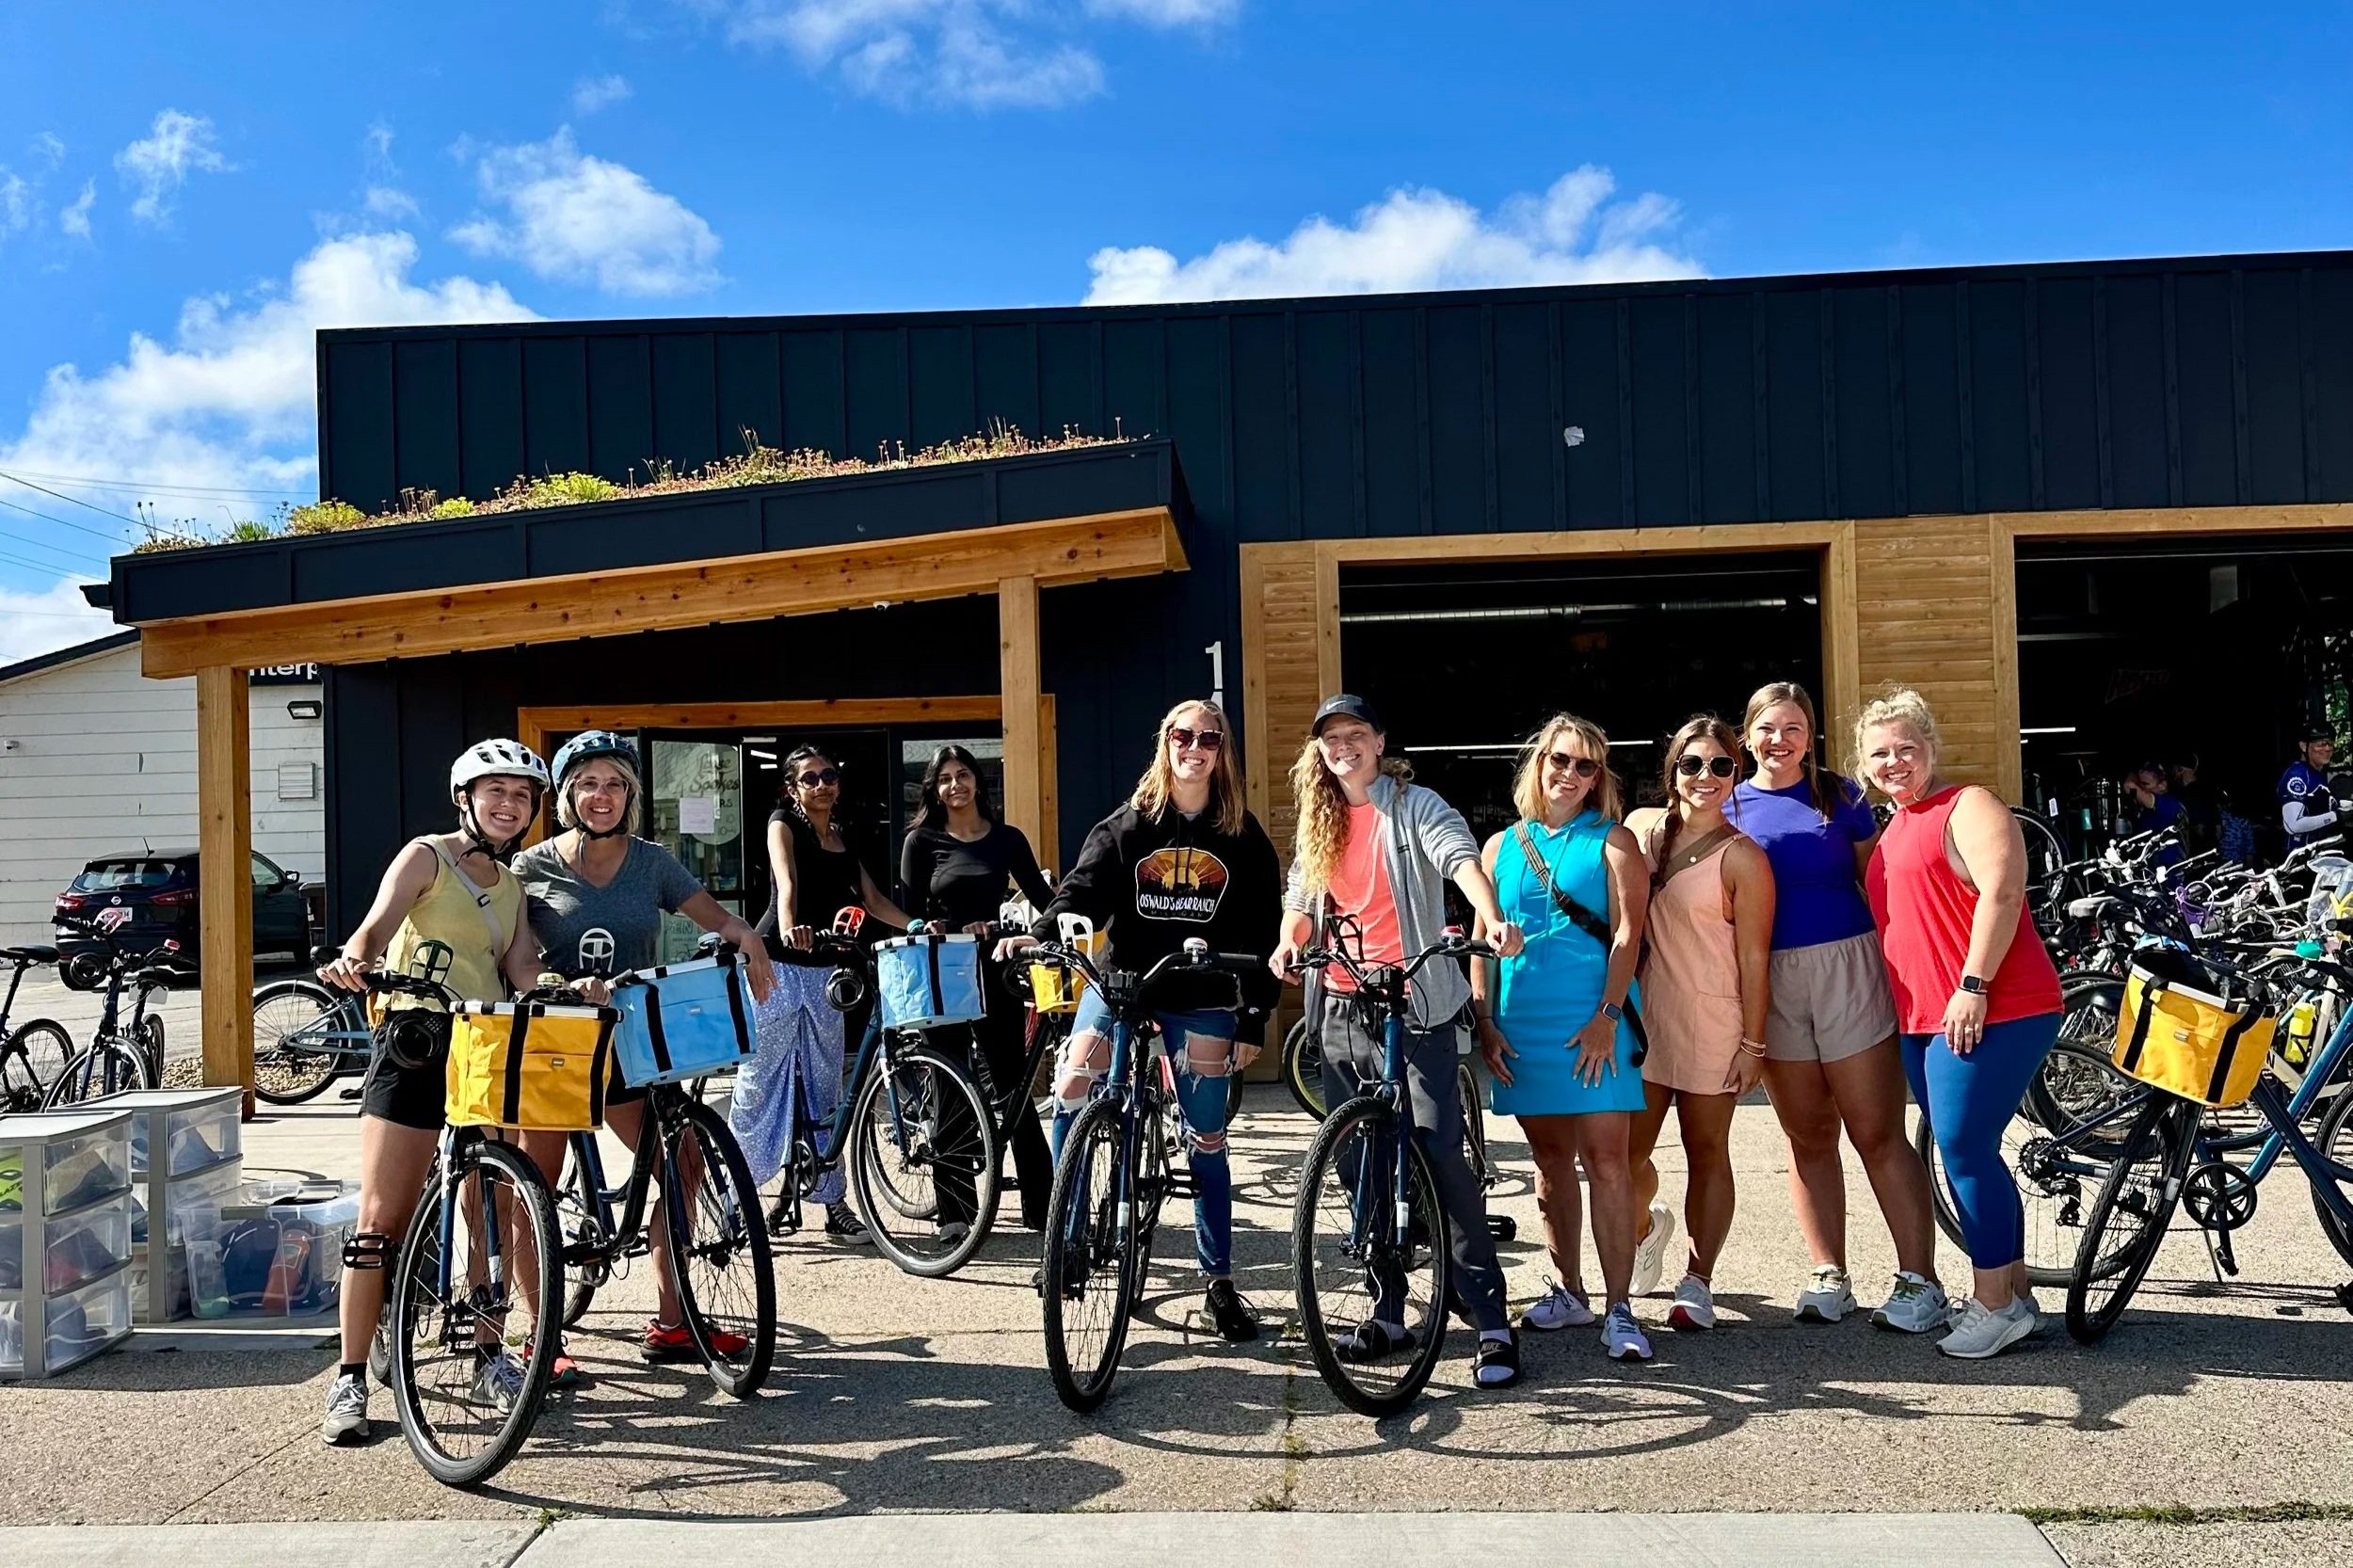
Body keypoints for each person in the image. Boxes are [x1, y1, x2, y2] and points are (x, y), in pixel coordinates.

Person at [999, 699, 1282, 1341]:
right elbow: (1081, 891)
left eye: (1208, 738)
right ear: (1166, 743)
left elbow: (1268, 932)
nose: (1195, 747)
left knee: (1205, 1136)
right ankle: (1066, 1240)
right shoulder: (1128, 826)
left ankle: (1219, 1283)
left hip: (1205, 992)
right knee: (1071, 1085)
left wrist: (1254, 1018)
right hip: (1126, 984)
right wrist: (1040, 934)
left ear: (1221, 751)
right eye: (1183, 735)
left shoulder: (1241, 835)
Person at [1272, 695, 1529, 1387]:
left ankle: (1491, 1319)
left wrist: (1492, 918)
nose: (1344, 746)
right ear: (1320, 748)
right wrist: (1289, 943)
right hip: (1343, 1003)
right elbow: (1303, 894)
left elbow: (1460, 859)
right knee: (1359, 1160)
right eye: (1332, 737)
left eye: (1357, 734)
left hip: (1413, 1000)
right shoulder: (1320, 817)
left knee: (1437, 1151)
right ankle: (1390, 1309)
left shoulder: (1413, 806)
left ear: (1380, 742)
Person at [315, 740, 556, 1446]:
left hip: (482, 1045)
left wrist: (562, 989)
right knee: (381, 1216)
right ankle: (350, 1377)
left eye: (521, 795)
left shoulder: (513, 890)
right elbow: (377, 925)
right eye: (495, 792)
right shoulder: (427, 855)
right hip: (414, 1039)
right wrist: (355, 959)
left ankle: (489, 1354)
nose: (508, 804)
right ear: (466, 799)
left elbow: (520, 968)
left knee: (492, 1204)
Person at [512, 731, 776, 1369]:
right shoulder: (531, 867)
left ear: (630, 794)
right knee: (532, 1185)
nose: (602, 796)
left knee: (682, 1165)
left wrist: (749, 940)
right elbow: (512, 954)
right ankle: (541, 1336)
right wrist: (553, 985)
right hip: (555, 1041)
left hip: (630, 1039)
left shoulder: (652, 862)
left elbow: (720, 918)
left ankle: (673, 1320)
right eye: (589, 783)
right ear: (568, 793)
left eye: (615, 784)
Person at [1858, 687, 2064, 1359]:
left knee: (1966, 1150)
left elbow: (2003, 891)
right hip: (1924, 1017)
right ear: (1864, 767)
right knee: (1964, 1150)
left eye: (1906, 748)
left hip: (1993, 1005)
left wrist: (1972, 985)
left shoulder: (1968, 804)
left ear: (1931, 750)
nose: (1894, 762)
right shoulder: (1893, 827)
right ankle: (2015, 1293)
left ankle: (1995, 1304)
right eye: (1879, 753)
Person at [1732, 682, 1945, 1332]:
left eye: (1794, 728)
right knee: (1808, 1135)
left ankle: (1920, 1281)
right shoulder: (1728, 804)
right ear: (1748, 736)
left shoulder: (1843, 796)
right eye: (1768, 728)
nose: (1780, 739)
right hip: (1770, 976)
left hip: (1848, 963)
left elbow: (1878, 883)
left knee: (1876, 1131)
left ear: (1810, 737)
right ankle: (1830, 1272)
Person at [1471, 713, 1654, 1362]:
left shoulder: (1615, 840)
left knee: (1608, 1162)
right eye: (1560, 760)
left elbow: (1630, 934)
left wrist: (1607, 1016)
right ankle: (1569, 1291)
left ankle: (1621, 1308)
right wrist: (1485, 1023)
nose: (1571, 774)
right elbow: (1483, 944)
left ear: (1598, 777)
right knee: (1550, 1165)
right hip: (1523, 1023)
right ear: (1538, 764)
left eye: (1586, 766)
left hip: (1594, 1021)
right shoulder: (1498, 846)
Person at [1624, 717, 1775, 1333]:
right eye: (1692, 764)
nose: (1705, 777)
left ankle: (1699, 1278)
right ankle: (1645, 1227)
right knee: (1624, 1156)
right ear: (1672, 771)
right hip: (1645, 1021)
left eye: (1720, 766)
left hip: (1714, 1021)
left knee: (1707, 1152)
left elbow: (1755, 959)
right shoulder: (1640, 831)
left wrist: (1755, 1044)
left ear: (1736, 774)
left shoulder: (1745, 859)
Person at [739, 743, 914, 1240]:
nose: (821, 785)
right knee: (762, 1081)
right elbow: (785, 883)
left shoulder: (844, 835)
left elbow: (875, 900)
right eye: (809, 778)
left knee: (823, 1087)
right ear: (792, 788)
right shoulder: (782, 824)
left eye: (829, 775)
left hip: (825, 972)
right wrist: (792, 925)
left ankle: (831, 1200)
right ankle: (739, 1198)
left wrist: (918, 923)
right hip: (775, 963)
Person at [900, 744, 1056, 1232]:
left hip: (994, 970)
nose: (955, 785)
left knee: (1013, 1084)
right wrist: (934, 927)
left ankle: (1041, 1205)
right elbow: (909, 914)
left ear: (977, 782)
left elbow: (1047, 902)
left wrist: (1026, 934)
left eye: (962, 774)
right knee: (948, 1083)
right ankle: (955, 1213)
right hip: (944, 971)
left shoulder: (1006, 838)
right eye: (944, 778)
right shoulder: (921, 842)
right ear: (935, 789)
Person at [2279, 724, 2343, 855]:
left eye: (2330, 744)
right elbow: (2293, 825)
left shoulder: (2317, 774)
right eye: (2320, 744)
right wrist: (2335, 816)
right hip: (2298, 857)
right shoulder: (2298, 775)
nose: (2327, 748)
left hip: (2318, 853)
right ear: (2303, 746)